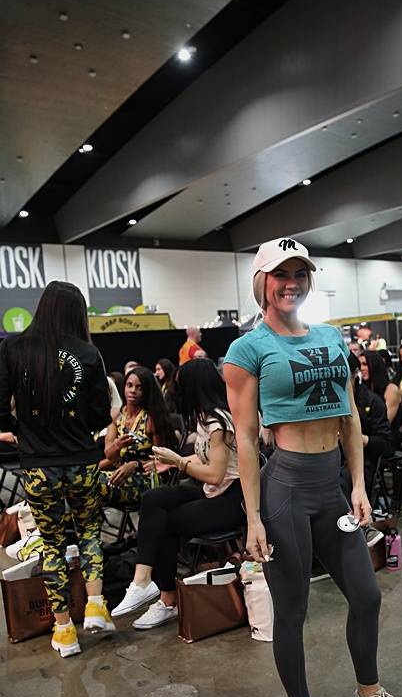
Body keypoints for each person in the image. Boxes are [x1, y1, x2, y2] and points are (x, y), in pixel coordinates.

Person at [223, 237, 402, 697]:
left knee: (368, 595)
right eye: (281, 274)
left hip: (331, 488)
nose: (291, 284)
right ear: (262, 282)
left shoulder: (332, 338)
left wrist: (357, 485)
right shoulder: (248, 349)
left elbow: (349, 416)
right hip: (285, 490)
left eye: (300, 274)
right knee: (292, 612)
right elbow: (246, 438)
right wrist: (252, 517)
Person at [0, 281, 114, 657]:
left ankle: (64, 631)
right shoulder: (89, 353)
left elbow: (0, 406)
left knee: (51, 543)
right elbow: (101, 413)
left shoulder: (13, 348)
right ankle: (95, 606)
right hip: (82, 459)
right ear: (77, 313)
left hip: (38, 465)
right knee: (90, 533)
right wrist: (78, 428)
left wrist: (22, 431)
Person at [110, 358, 244, 627]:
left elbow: (216, 474)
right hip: (213, 491)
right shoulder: (205, 418)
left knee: (166, 523)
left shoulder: (219, 421)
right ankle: (142, 581)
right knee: (153, 499)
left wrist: (179, 461)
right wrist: (168, 462)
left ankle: (167, 598)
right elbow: (204, 458)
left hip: (231, 498)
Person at [99, 366, 177, 508]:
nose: (133, 391)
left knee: (91, 485)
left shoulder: (152, 419)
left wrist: (136, 464)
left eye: (139, 387)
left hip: (147, 479)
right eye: (129, 385)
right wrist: (118, 445)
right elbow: (109, 454)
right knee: (81, 482)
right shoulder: (116, 415)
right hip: (119, 472)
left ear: (147, 391)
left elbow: (163, 460)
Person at [340, 353, 394, 502]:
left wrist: (360, 438)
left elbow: (387, 445)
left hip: (362, 463)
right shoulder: (329, 401)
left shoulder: (372, 401)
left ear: (354, 373)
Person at [359, 350, 402, 425]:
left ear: (375, 365)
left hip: (384, 430)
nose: (361, 368)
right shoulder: (363, 389)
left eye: (365, 364)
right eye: (360, 365)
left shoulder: (391, 390)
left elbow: (385, 423)